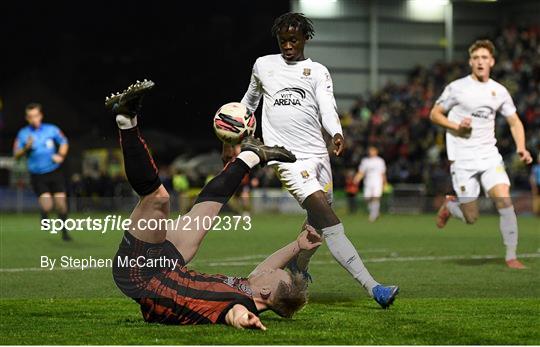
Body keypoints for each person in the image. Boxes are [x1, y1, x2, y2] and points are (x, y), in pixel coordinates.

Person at [106, 80, 320, 330]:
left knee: (157, 199)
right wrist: (297, 245)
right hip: (166, 268)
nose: (273, 269)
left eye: (276, 273)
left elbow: (235, 313)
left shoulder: (239, 303)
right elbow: (267, 268)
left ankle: (126, 120)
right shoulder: (251, 288)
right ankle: (252, 155)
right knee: (206, 210)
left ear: (265, 290)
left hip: (142, 276)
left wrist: (244, 320)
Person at [225, 12, 398, 308]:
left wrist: (336, 133)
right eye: (283, 41)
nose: (288, 46)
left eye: (293, 40)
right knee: (330, 220)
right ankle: (373, 287)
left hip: (318, 156)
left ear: (305, 38)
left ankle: (298, 269)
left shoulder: (317, 71)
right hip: (286, 158)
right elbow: (249, 103)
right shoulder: (263, 65)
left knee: (316, 225)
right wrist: (232, 134)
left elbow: (327, 107)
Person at [430, 39, 533, 269]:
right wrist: (457, 127)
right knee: (471, 218)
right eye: (476, 58)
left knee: (504, 200)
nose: (480, 62)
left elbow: (515, 122)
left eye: (484, 58)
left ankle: (511, 256)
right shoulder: (457, 88)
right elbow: (435, 114)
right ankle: (450, 206)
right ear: (470, 61)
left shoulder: (499, 91)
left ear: (492, 62)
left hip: (489, 156)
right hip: (463, 159)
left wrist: (522, 147)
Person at [13, 103, 71, 241]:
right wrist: (26, 147)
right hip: (37, 175)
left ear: (41, 115)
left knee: (61, 204)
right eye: (31, 117)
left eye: (36, 116)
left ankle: (64, 232)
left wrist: (61, 156)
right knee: (48, 205)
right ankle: (44, 213)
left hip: (54, 172)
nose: (34, 119)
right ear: (27, 118)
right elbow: (16, 155)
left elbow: (64, 142)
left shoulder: (51, 129)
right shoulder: (23, 134)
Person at [354, 146, 387, 222]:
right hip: (368, 182)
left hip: (377, 181)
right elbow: (361, 172)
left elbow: (383, 173)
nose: (371, 152)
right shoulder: (365, 161)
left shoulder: (380, 161)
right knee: (367, 198)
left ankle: (373, 215)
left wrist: (384, 182)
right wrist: (356, 179)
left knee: (376, 197)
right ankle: (375, 212)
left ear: (376, 151)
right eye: (370, 151)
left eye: (373, 151)